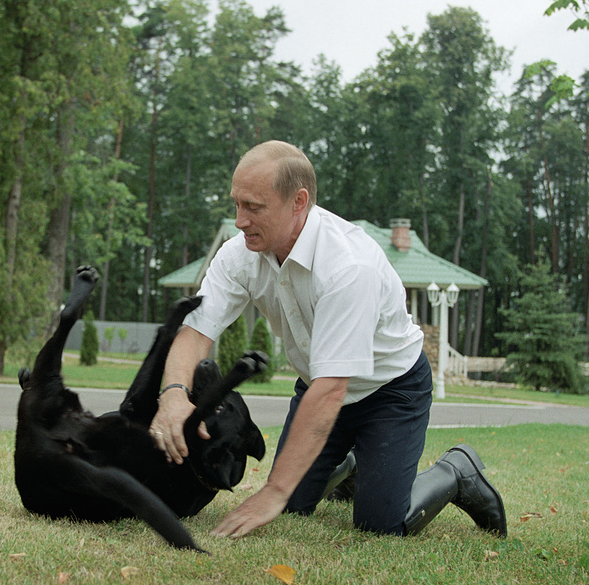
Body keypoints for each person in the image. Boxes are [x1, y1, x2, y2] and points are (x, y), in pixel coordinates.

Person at [149, 140, 506, 539]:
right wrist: (174, 394)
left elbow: (333, 389)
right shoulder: (239, 256)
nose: (239, 221)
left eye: (254, 207)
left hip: (390, 391)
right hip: (318, 387)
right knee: (294, 508)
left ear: (298, 201)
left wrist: (274, 490)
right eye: (236, 204)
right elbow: (195, 331)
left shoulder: (349, 266)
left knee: (380, 525)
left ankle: (456, 470)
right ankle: (352, 467)